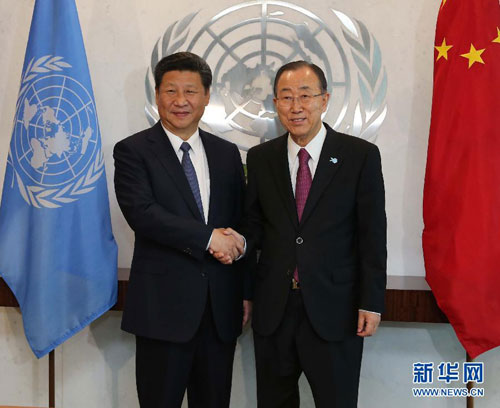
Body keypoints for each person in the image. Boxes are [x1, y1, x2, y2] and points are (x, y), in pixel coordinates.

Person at [226, 61, 387, 407]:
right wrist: (236, 243)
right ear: (275, 103)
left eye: (305, 95)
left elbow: (372, 234)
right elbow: (254, 225)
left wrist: (371, 302)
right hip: (275, 310)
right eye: (285, 97)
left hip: (336, 310)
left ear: (324, 99)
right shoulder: (261, 158)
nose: (295, 106)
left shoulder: (359, 156)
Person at [113, 52, 251, 408]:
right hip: (162, 310)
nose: (180, 101)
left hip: (220, 309)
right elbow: (143, 213)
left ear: (206, 96)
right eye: (170, 90)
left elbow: (241, 220)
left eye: (190, 91)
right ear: (157, 94)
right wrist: (209, 238)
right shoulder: (133, 151)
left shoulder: (226, 153)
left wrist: (242, 273)